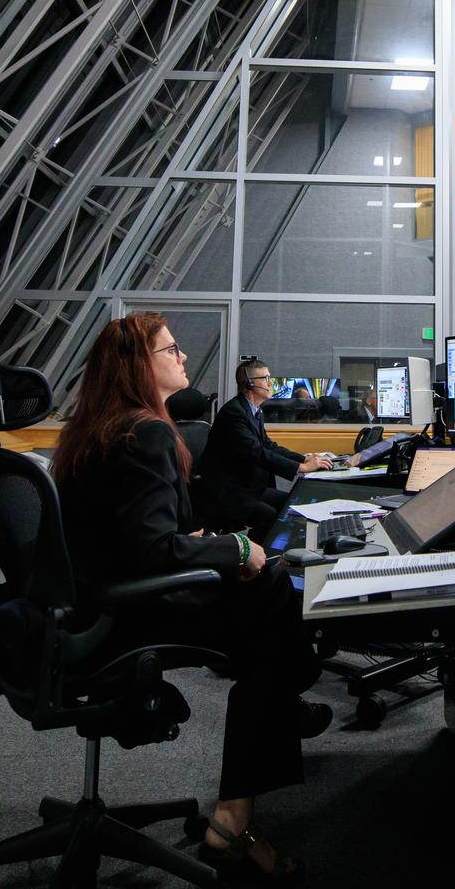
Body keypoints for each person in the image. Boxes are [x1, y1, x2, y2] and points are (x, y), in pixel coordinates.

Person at [50, 314, 327, 879]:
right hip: (131, 614)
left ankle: (280, 705)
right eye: (170, 349)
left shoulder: (100, 428)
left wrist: (197, 541)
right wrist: (233, 549)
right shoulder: (148, 432)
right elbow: (153, 552)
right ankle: (234, 815)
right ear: (139, 364)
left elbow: (132, 535)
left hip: (93, 605)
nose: (182, 358)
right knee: (278, 597)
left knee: (270, 626)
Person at [195, 358, 338, 534]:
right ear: (248, 384)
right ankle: (254, 557)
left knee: (290, 503)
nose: (271, 383)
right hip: (229, 492)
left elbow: (268, 445)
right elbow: (255, 452)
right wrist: (301, 467)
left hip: (248, 488)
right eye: (266, 378)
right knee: (273, 517)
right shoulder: (234, 413)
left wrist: (304, 458)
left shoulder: (254, 410)